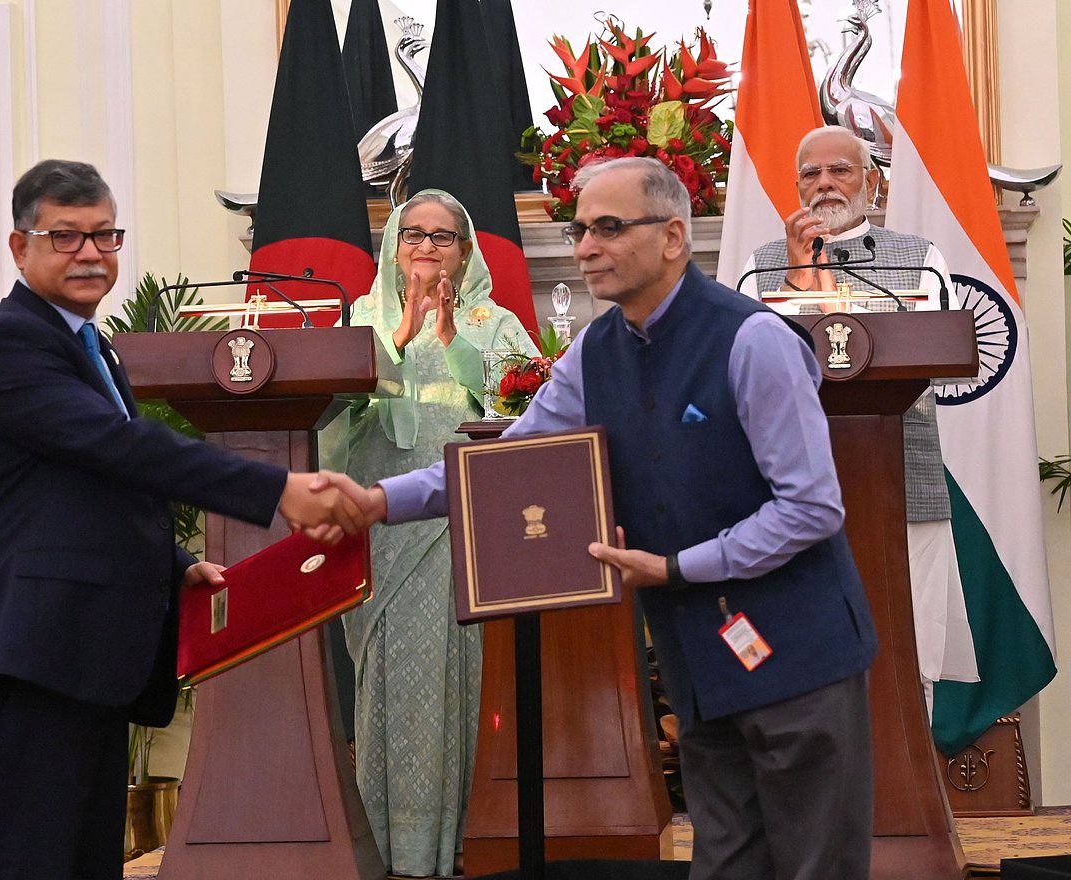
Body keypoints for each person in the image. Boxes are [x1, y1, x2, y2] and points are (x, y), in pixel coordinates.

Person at [326, 156, 879, 880]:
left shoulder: (754, 341)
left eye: (610, 228)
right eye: (581, 229)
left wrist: (679, 567)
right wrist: (377, 502)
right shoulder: (595, 350)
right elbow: (509, 462)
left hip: (796, 655)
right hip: (699, 660)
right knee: (727, 863)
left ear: (675, 236)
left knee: (815, 867)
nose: (586, 247)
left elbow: (810, 508)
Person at [0, 159, 366, 880]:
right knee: (30, 860)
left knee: (82, 862)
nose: (90, 253)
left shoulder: (91, 346)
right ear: (20, 249)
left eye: (105, 236)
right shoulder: (14, 343)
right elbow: (120, 447)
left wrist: (176, 568)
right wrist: (278, 490)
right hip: (35, 655)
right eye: (66, 237)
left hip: (84, 657)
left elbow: (92, 488)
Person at [328, 189, 536, 877]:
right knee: (387, 679)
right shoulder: (363, 318)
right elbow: (332, 417)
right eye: (412, 233)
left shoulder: (495, 320)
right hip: (382, 522)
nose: (425, 246)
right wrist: (397, 340)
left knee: (454, 684)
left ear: (466, 250)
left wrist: (451, 341)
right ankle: (388, 849)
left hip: (462, 527)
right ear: (392, 247)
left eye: (443, 236)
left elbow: (527, 406)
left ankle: (453, 846)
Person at [740, 125, 977, 713]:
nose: (824, 184)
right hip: (788, 490)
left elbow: (944, 365)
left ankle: (908, 797)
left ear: (872, 181)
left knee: (909, 643)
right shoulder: (756, 268)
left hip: (902, 477)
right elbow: (743, 372)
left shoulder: (919, 259)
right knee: (802, 651)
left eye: (840, 170)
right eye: (811, 174)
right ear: (795, 186)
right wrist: (798, 277)